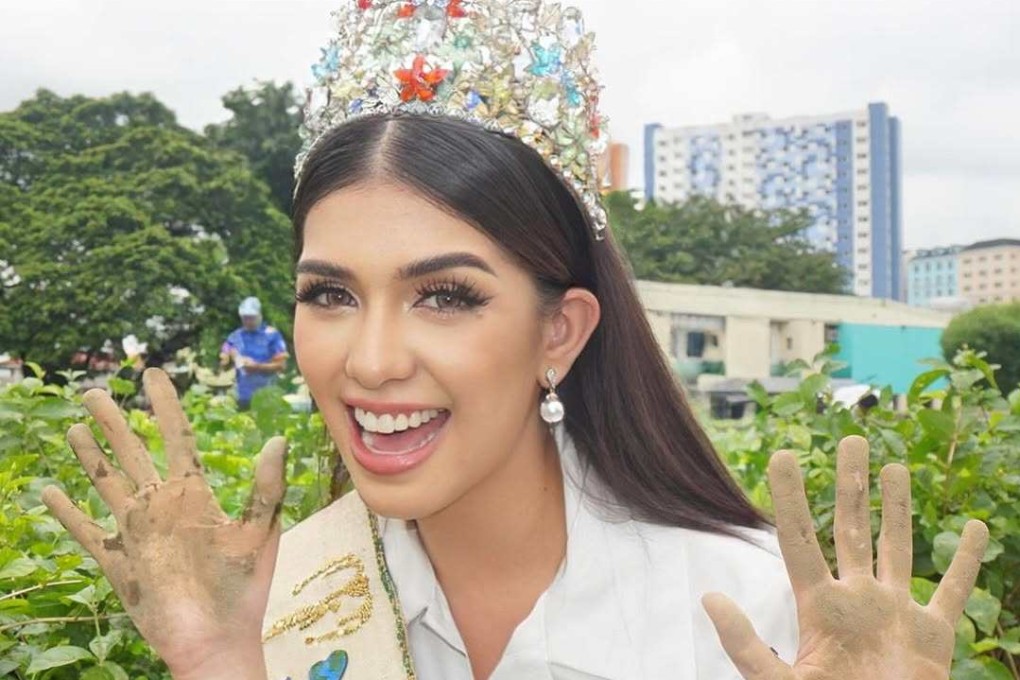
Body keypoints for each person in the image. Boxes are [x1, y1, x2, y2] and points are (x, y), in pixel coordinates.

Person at [42, 1, 989, 679]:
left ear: (561, 331)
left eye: (445, 296)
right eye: (329, 293)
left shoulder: (756, 614)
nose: (368, 361)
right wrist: (217, 662)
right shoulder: (279, 590)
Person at [219, 296, 289, 410]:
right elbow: (227, 347)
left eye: (251, 318)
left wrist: (257, 367)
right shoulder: (237, 335)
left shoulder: (272, 335)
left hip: (267, 396)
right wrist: (227, 355)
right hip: (243, 397)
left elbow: (281, 365)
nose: (248, 321)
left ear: (259, 315)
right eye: (245, 318)